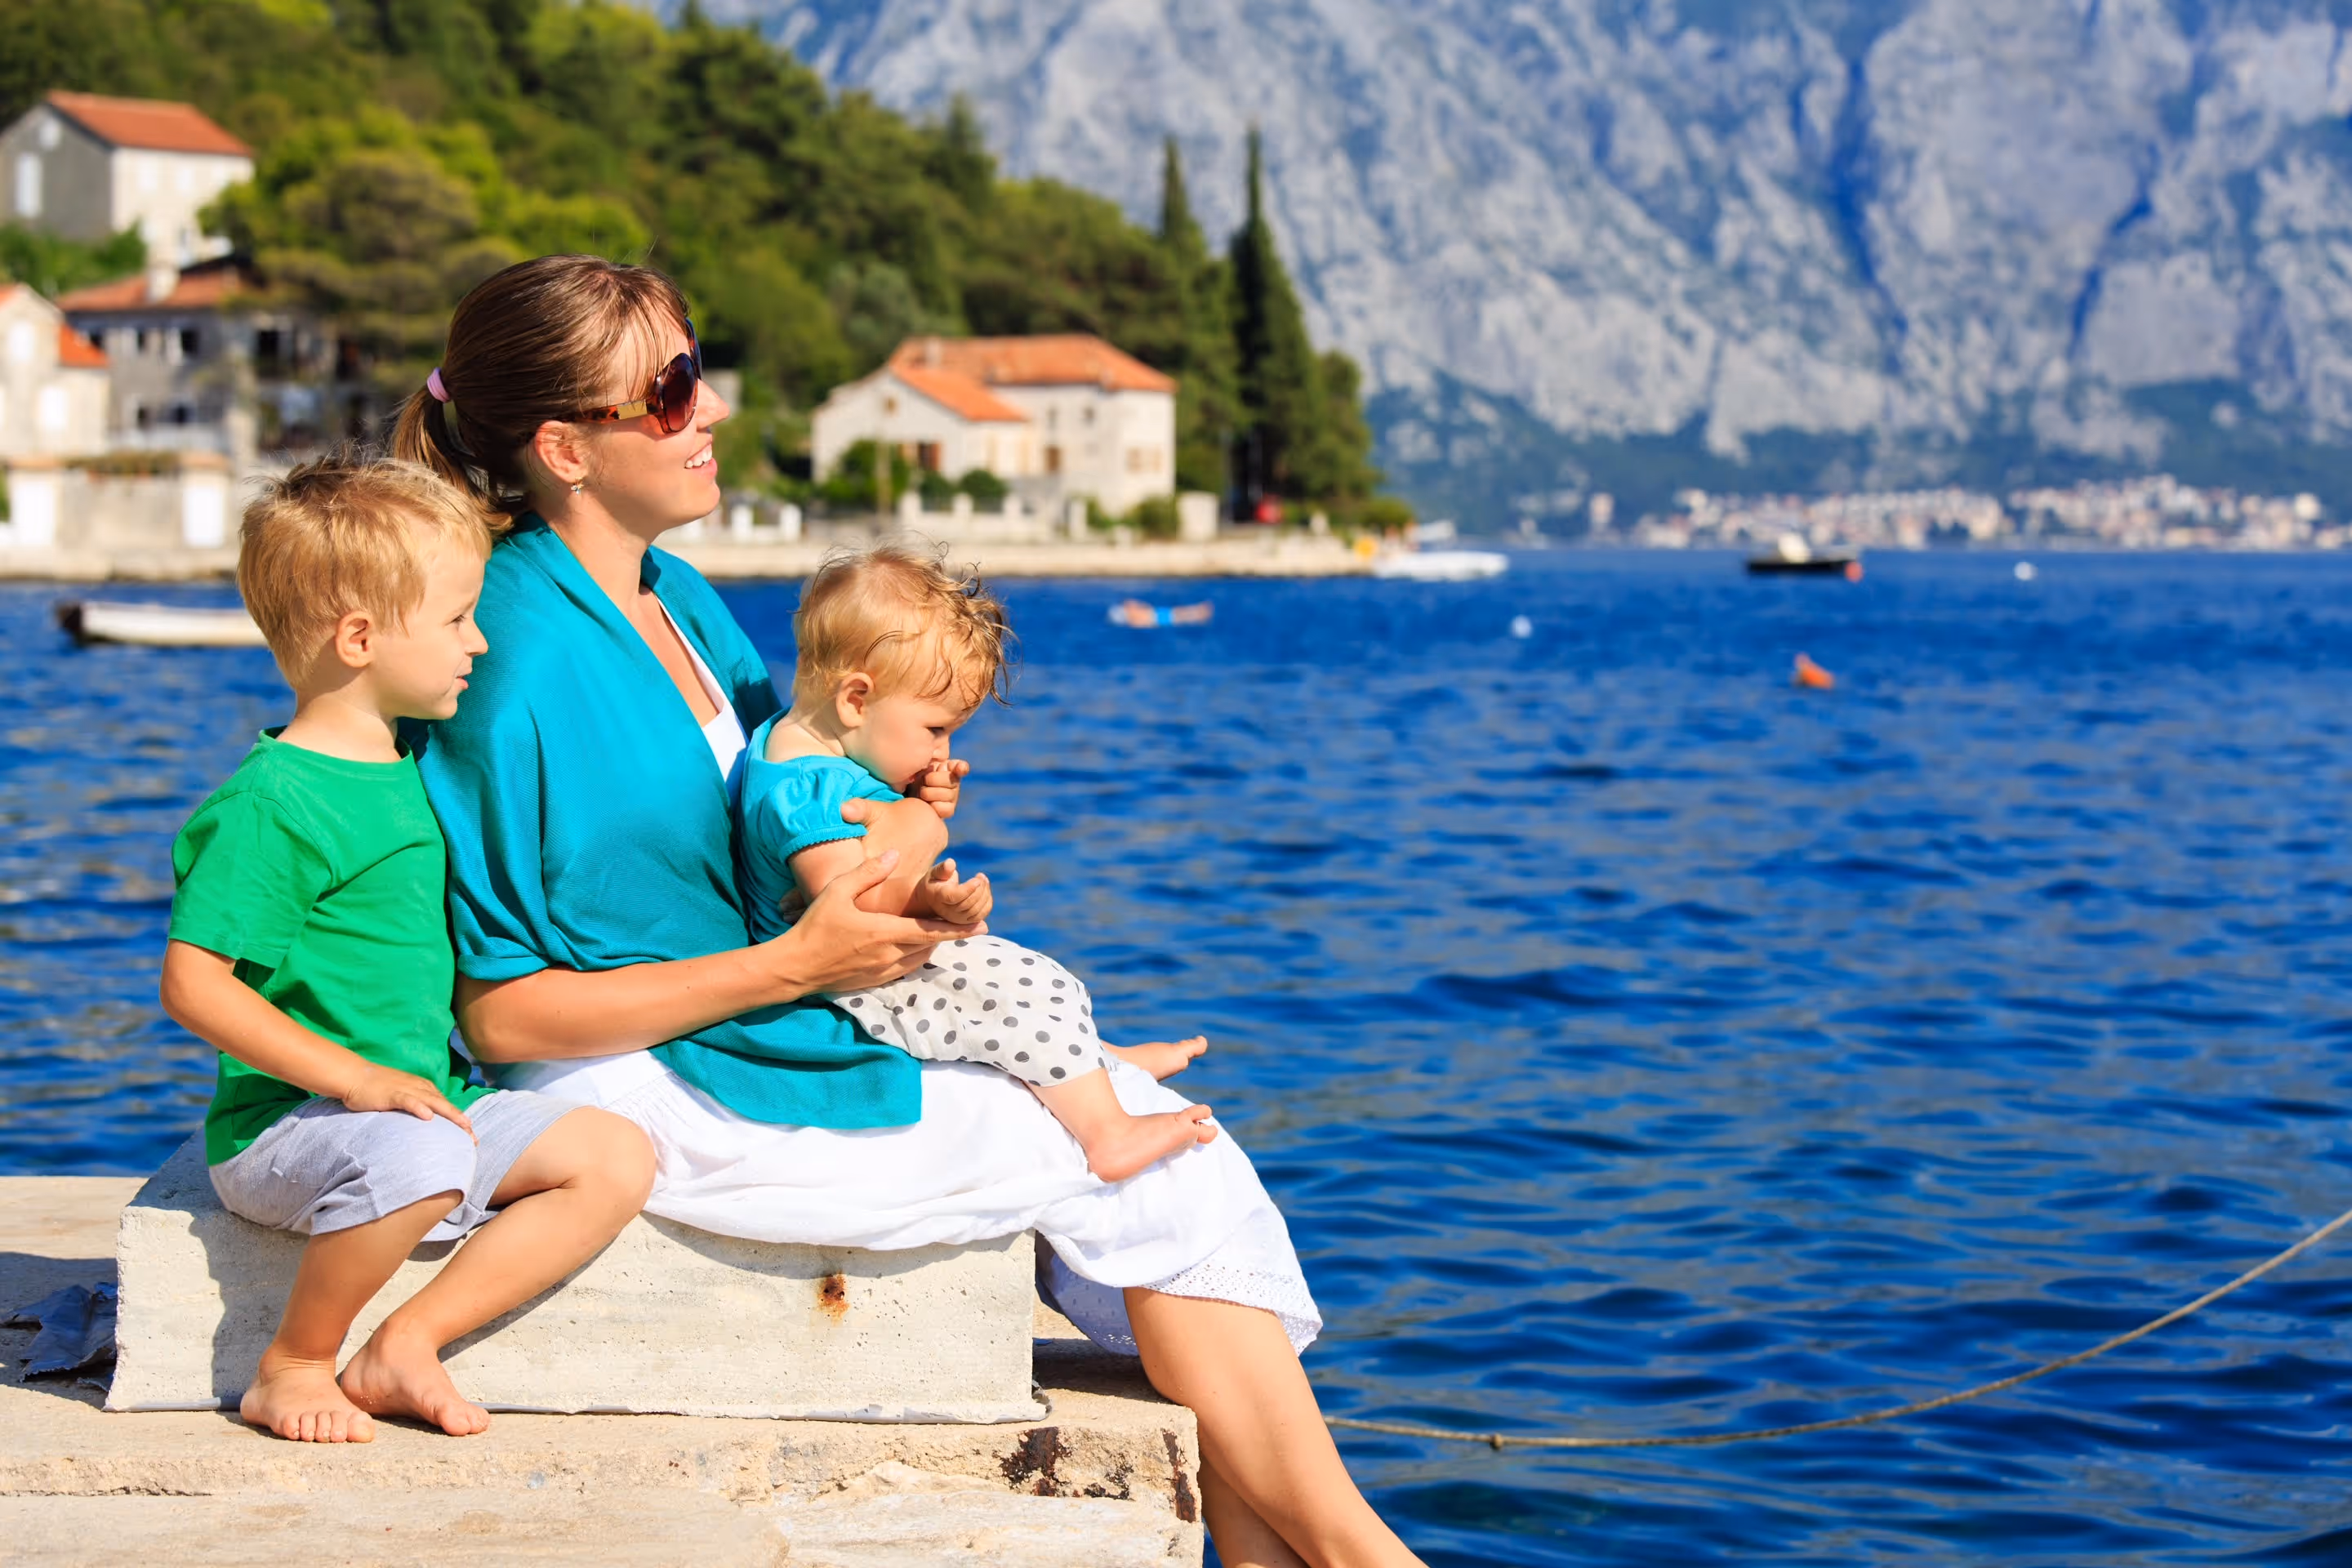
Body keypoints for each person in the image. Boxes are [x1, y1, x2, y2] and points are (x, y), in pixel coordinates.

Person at [395, 254, 1424, 1567]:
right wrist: (793, 967)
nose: (709, 409)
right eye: (668, 393)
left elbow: (794, 825)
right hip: (657, 1084)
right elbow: (505, 1012)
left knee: (1155, 1136)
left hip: (762, 1033)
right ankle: (1359, 1553)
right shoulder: (518, 660)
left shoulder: (677, 602)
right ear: (565, 449)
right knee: (1176, 1166)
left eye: (695, 369)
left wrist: (918, 894)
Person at [158, 457, 655, 1445]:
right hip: (289, 1129)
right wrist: (355, 1081)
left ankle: (403, 1345)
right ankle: (293, 1364)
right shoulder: (276, 803)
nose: (479, 641)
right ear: (360, 638)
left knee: (613, 1153)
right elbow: (193, 984)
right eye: (459, 619)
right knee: (424, 1150)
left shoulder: (404, 759)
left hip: (419, 1109)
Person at [738, 544, 1218, 1182]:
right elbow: (851, 908)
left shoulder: (802, 748)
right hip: (845, 995)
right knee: (1024, 983)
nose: (945, 749)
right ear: (856, 699)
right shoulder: (807, 794)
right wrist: (932, 899)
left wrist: (911, 803)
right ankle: (1108, 1133)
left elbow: (868, 837)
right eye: (936, 729)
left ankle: (1098, 1064)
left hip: (863, 976)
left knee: (1027, 984)